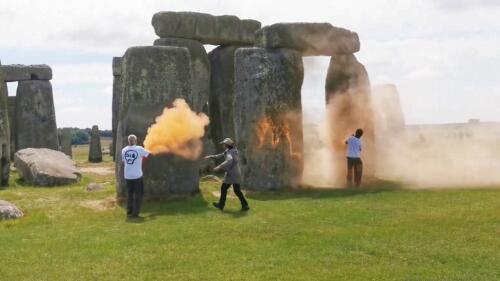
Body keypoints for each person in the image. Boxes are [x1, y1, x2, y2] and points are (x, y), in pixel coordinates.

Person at [205, 138, 249, 212]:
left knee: (236, 191)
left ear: (227, 145)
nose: (223, 145)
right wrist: (211, 156)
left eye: (224, 144)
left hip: (233, 174)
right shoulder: (229, 151)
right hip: (233, 174)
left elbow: (229, 160)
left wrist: (219, 167)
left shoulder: (230, 153)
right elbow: (221, 155)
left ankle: (243, 205)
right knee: (228, 189)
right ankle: (222, 205)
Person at [121, 134, 150, 218]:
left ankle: (129, 212)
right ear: (136, 141)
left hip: (127, 176)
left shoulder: (124, 150)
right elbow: (148, 154)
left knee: (130, 194)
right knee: (138, 194)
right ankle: (135, 213)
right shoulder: (139, 149)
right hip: (137, 176)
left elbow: (124, 161)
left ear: (128, 141)